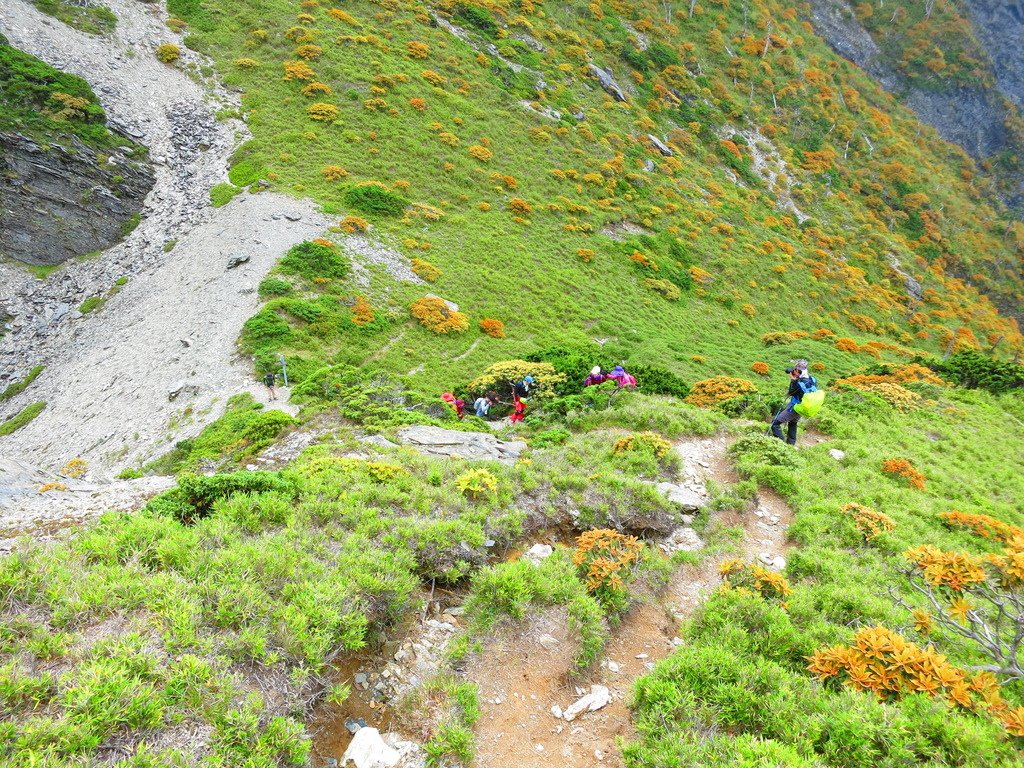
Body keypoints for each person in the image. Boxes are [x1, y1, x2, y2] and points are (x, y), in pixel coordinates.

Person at [770, 359, 817, 446]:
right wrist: (797, 378)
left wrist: (793, 380)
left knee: (775, 423)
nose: (793, 371)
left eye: (795, 370)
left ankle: (780, 444)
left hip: (795, 407)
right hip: (803, 407)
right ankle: (790, 444)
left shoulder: (800, 383)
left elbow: (791, 392)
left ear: (798, 371)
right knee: (792, 423)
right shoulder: (812, 379)